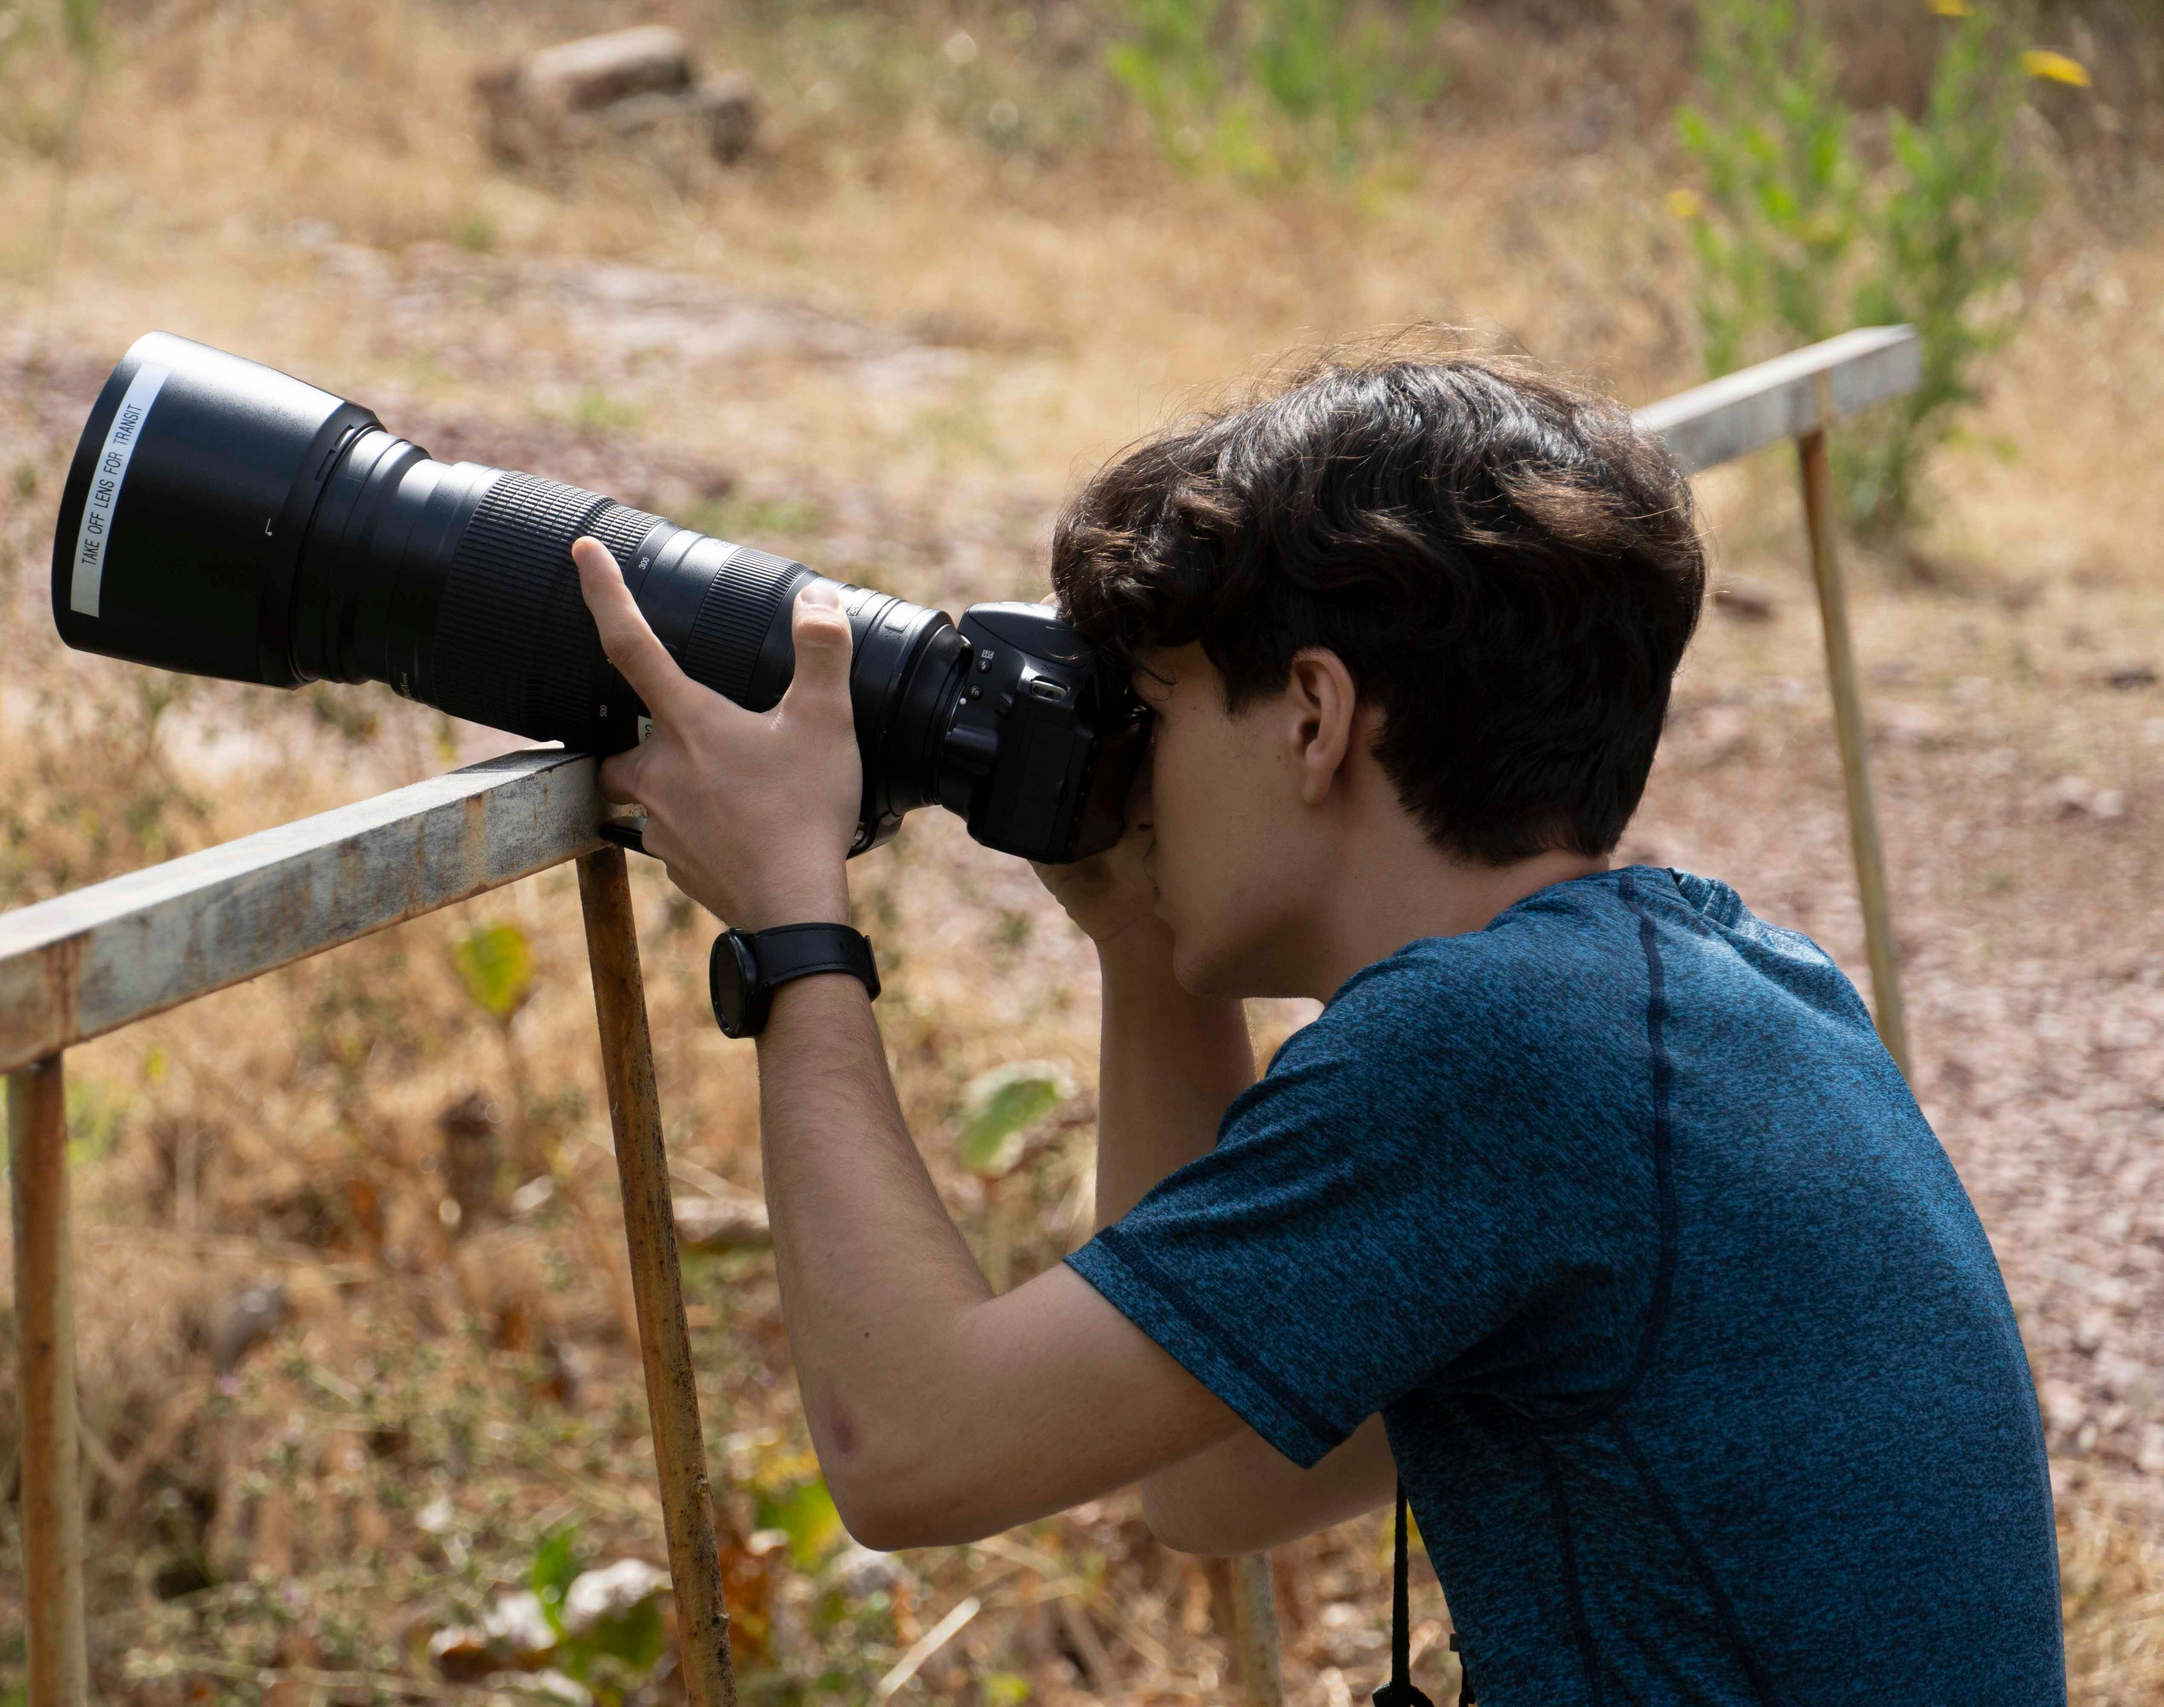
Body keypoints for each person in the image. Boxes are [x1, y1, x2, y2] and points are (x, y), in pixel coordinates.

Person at [567, 342, 2061, 1703]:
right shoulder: (1727, 989)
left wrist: (791, 918)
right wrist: (1143, 947)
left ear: (1312, 718)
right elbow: (1216, 1485)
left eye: (1150, 718)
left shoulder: (1493, 1049)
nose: (1135, 780)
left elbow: (908, 1450)